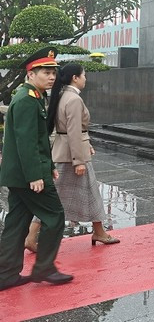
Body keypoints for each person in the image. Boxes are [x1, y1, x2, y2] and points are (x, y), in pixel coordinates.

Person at [0, 47, 72, 290]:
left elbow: (39, 140)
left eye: (53, 72)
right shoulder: (28, 100)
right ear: (31, 73)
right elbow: (26, 142)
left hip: (20, 174)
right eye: (45, 72)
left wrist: (49, 165)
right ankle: (45, 268)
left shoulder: (32, 95)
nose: (51, 76)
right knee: (55, 217)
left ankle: (5, 274)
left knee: (17, 222)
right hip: (28, 175)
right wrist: (35, 175)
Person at [48, 63, 119, 246]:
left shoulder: (64, 96)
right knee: (56, 197)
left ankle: (99, 231)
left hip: (68, 152)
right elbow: (73, 131)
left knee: (74, 194)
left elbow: (76, 132)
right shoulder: (73, 99)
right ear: (75, 78)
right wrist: (79, 160)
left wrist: (86, 145)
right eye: (84, 75)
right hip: (71, 156)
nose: (85, 79)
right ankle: (31, 235)